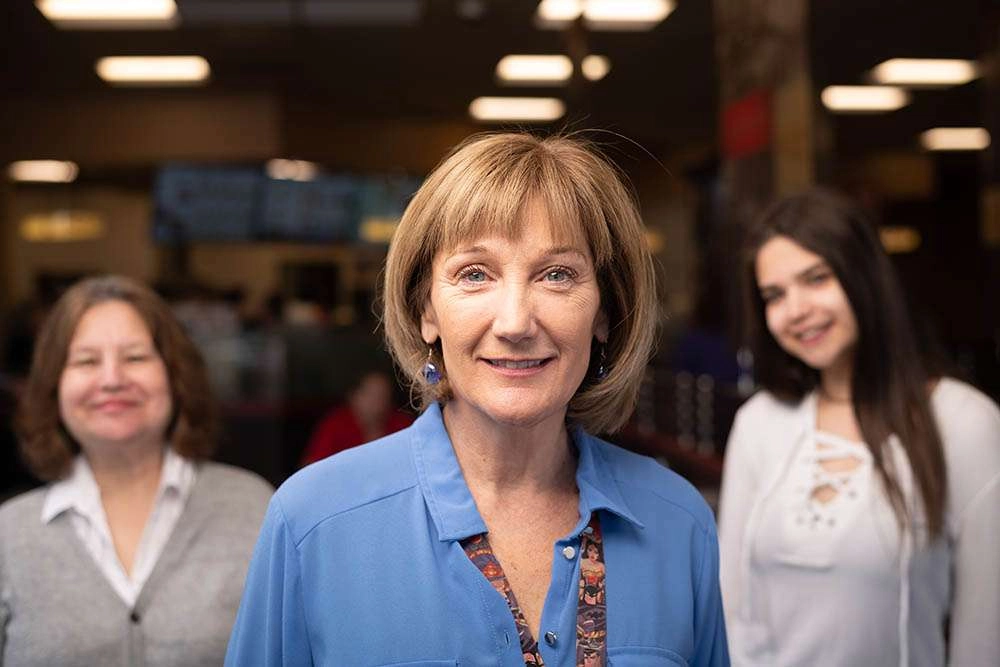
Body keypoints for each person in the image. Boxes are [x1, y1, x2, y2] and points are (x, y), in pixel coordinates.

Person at [226, 132, 729, 665]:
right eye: (475, 274)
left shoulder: (678, 522)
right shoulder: (312, 522)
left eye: (556, 275)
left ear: (604, 313)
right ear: (426, 311)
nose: (515, 322)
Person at [718, 189, 1000, 666]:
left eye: (817, 279)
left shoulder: (964, 422)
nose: (797, 309)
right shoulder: (759, 422)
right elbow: (732, 610)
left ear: (864, 276)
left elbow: (985, 637)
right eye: (775, 295)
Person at [0, 275, 273, 666]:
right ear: (53, 386)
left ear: (175, 376)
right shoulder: (8, 536)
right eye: (86, 361)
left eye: (135, 357)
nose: (112, 379)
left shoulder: (253, 507)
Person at [298, 369, 413, 466]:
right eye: (371, 395)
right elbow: (311, 467)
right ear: (354, 396)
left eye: (383, 396)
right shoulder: (335, 425)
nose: (378, 402)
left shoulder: (402, 425)